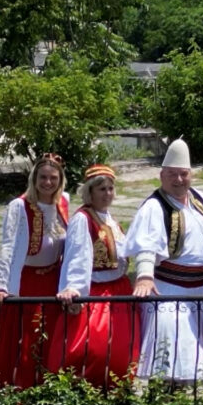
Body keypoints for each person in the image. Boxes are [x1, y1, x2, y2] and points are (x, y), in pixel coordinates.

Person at [121, 139, 203, 384]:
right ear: (161, 176)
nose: (178, 180)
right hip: (171, 291)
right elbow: (146, 244)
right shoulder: (154, 207)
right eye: (172, 175)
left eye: (183, 174)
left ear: (191, 175)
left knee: (202, 357)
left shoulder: (201, 199)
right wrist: (144, 276)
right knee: (170, 353)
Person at [53, 164, 140, 389]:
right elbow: (77, 255)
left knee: (121, 347)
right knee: (96, 348)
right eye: (102, 189)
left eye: (110, 188)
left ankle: (116, 393)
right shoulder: (83, 219)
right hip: (97, 293)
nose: (107, 194)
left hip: (119, 291)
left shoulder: (109, 218)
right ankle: (92, 395)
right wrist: (75, 289)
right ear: (89, 191)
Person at [0, 153, 69, 389]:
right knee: (25, 339)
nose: (48, 182)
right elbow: (8, 246)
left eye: (53, 177)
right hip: (27, 281)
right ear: (34, 178)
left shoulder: (63, 202)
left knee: (51, 338)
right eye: (42, 177)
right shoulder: (19, 206)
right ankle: (19, 389)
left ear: (60, 179)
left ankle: (48, 387)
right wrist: (0, 285)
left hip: (54, 280)